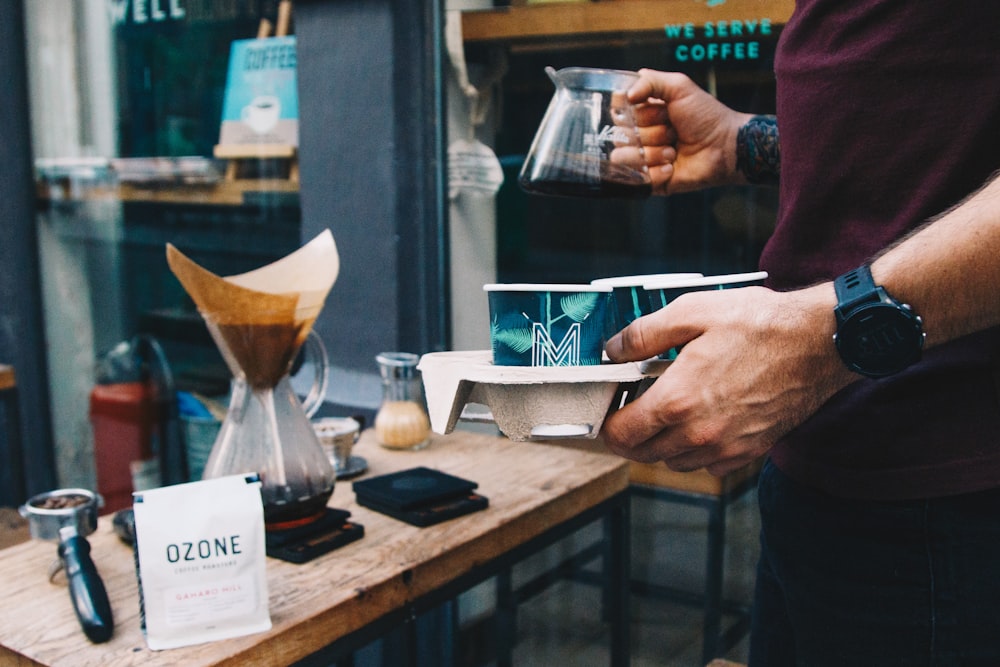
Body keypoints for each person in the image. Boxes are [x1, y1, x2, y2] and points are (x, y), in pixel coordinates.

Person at [599, 2, 1000, 665]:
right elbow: (923, 121)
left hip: (949, 504)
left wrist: (828, 335)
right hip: (815, 475)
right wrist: (743, 142)